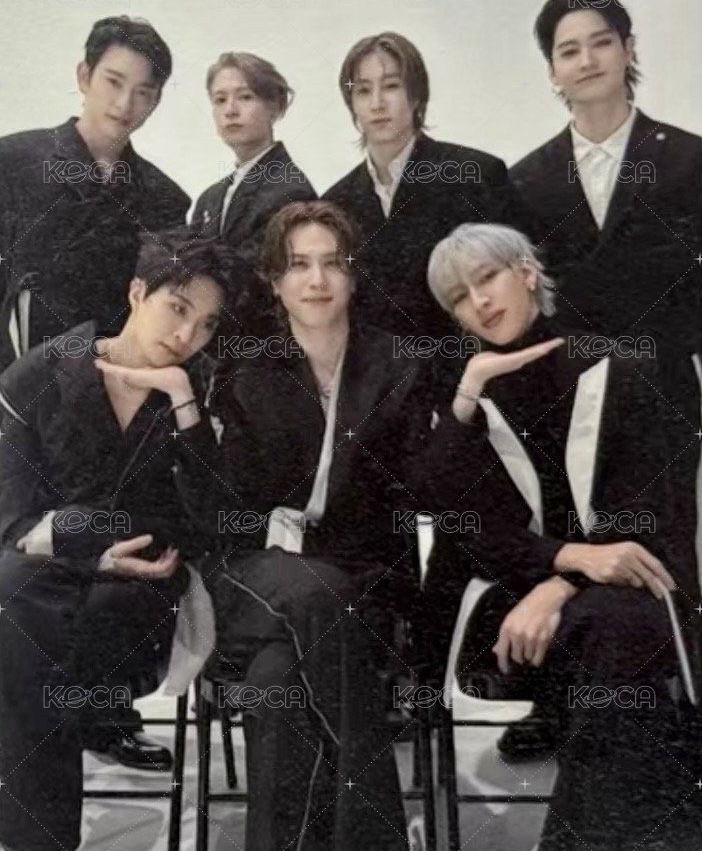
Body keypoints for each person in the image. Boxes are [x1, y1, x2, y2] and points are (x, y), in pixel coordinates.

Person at [423, 221, 702, 851]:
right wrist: (467, 395)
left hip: (607, 598)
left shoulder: (616, 368)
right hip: (502, 616)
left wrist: (560, 584)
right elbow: (460, 525)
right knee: (618, 641)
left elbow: (649, 512)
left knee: (618, 626)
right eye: (460, 296)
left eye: (487, 278)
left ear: (526, 272)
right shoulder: (461, 389)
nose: (480, 302)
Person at [0, 228, 237, 851]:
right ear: (136, 292)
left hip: (142, 601)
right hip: (43, 579)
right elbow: (12, 520)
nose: (186, 336)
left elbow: (211, 524)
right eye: (177, 308)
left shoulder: (207, 387)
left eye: (206, 325)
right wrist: (95, 549)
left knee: (28, 638)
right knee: (15, 598)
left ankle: (34, 836)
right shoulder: (40, 373)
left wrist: (184, 403)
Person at [207, 200, 433, 851]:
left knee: (277, 680)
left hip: (361, 582)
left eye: (333, 263)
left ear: (354, 275)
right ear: (274, 280)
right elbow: (226, 508)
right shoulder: (246, 367)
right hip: (262, 577)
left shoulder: (397, 363)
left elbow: (414, 490)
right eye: (298, 264)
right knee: (316, 594)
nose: (317, 280)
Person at [324, 31, 530, 398]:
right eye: (363, 91)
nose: (377, 103)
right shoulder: (335, 204)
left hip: (475, 388)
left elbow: (523, 292)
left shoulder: (474, 174)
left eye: (391, 86)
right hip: (379, 400)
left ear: (416, 94)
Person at [510, 0, 702, 356]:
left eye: (601, 43)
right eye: (569, 51)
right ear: (552, 71)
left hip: (677, 378)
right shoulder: (524, 181)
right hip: (570, 380)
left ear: (628, 49)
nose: (587, 61)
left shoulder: (689, 158)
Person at [0, 15, 190, 373]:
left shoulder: (165, 199)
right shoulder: (13, 162)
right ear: (84, 76)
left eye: (143, 92)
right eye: (114, 82)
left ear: (156, 101)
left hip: (111, 388)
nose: (124, 104)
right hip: (13, 384)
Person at [190, 51, 316, 335]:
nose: (230, 110)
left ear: (275, 105)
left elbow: (251, 282)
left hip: (263, 345)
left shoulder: (290, 190)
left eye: (245, 97)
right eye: (219, 100)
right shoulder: (210, 198)